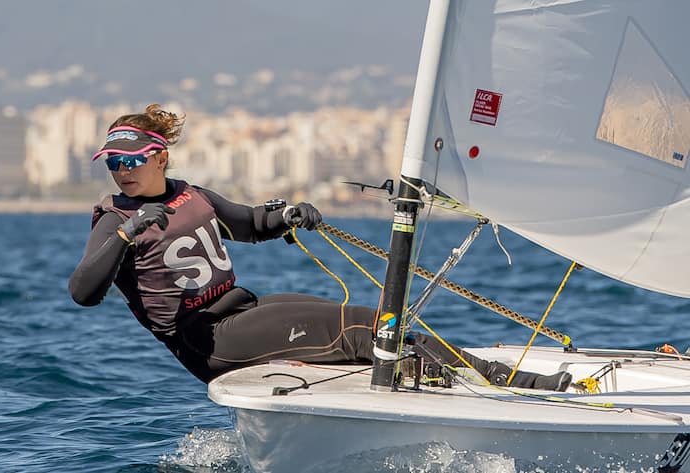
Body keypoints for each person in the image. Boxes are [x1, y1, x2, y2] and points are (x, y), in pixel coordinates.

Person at [68, 104, 572, 391]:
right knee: (361, 329)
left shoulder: (190, 194)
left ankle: (451, 382)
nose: (121, 171)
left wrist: (287, 216)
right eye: (113, 163)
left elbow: (247, 224)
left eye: (131, 161)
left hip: (240, 307)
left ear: (159, 157)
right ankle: (510, 385)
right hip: (207, 339)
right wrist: (127, 234)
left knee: (374, 320)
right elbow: (83, 292)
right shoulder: (114, 218)